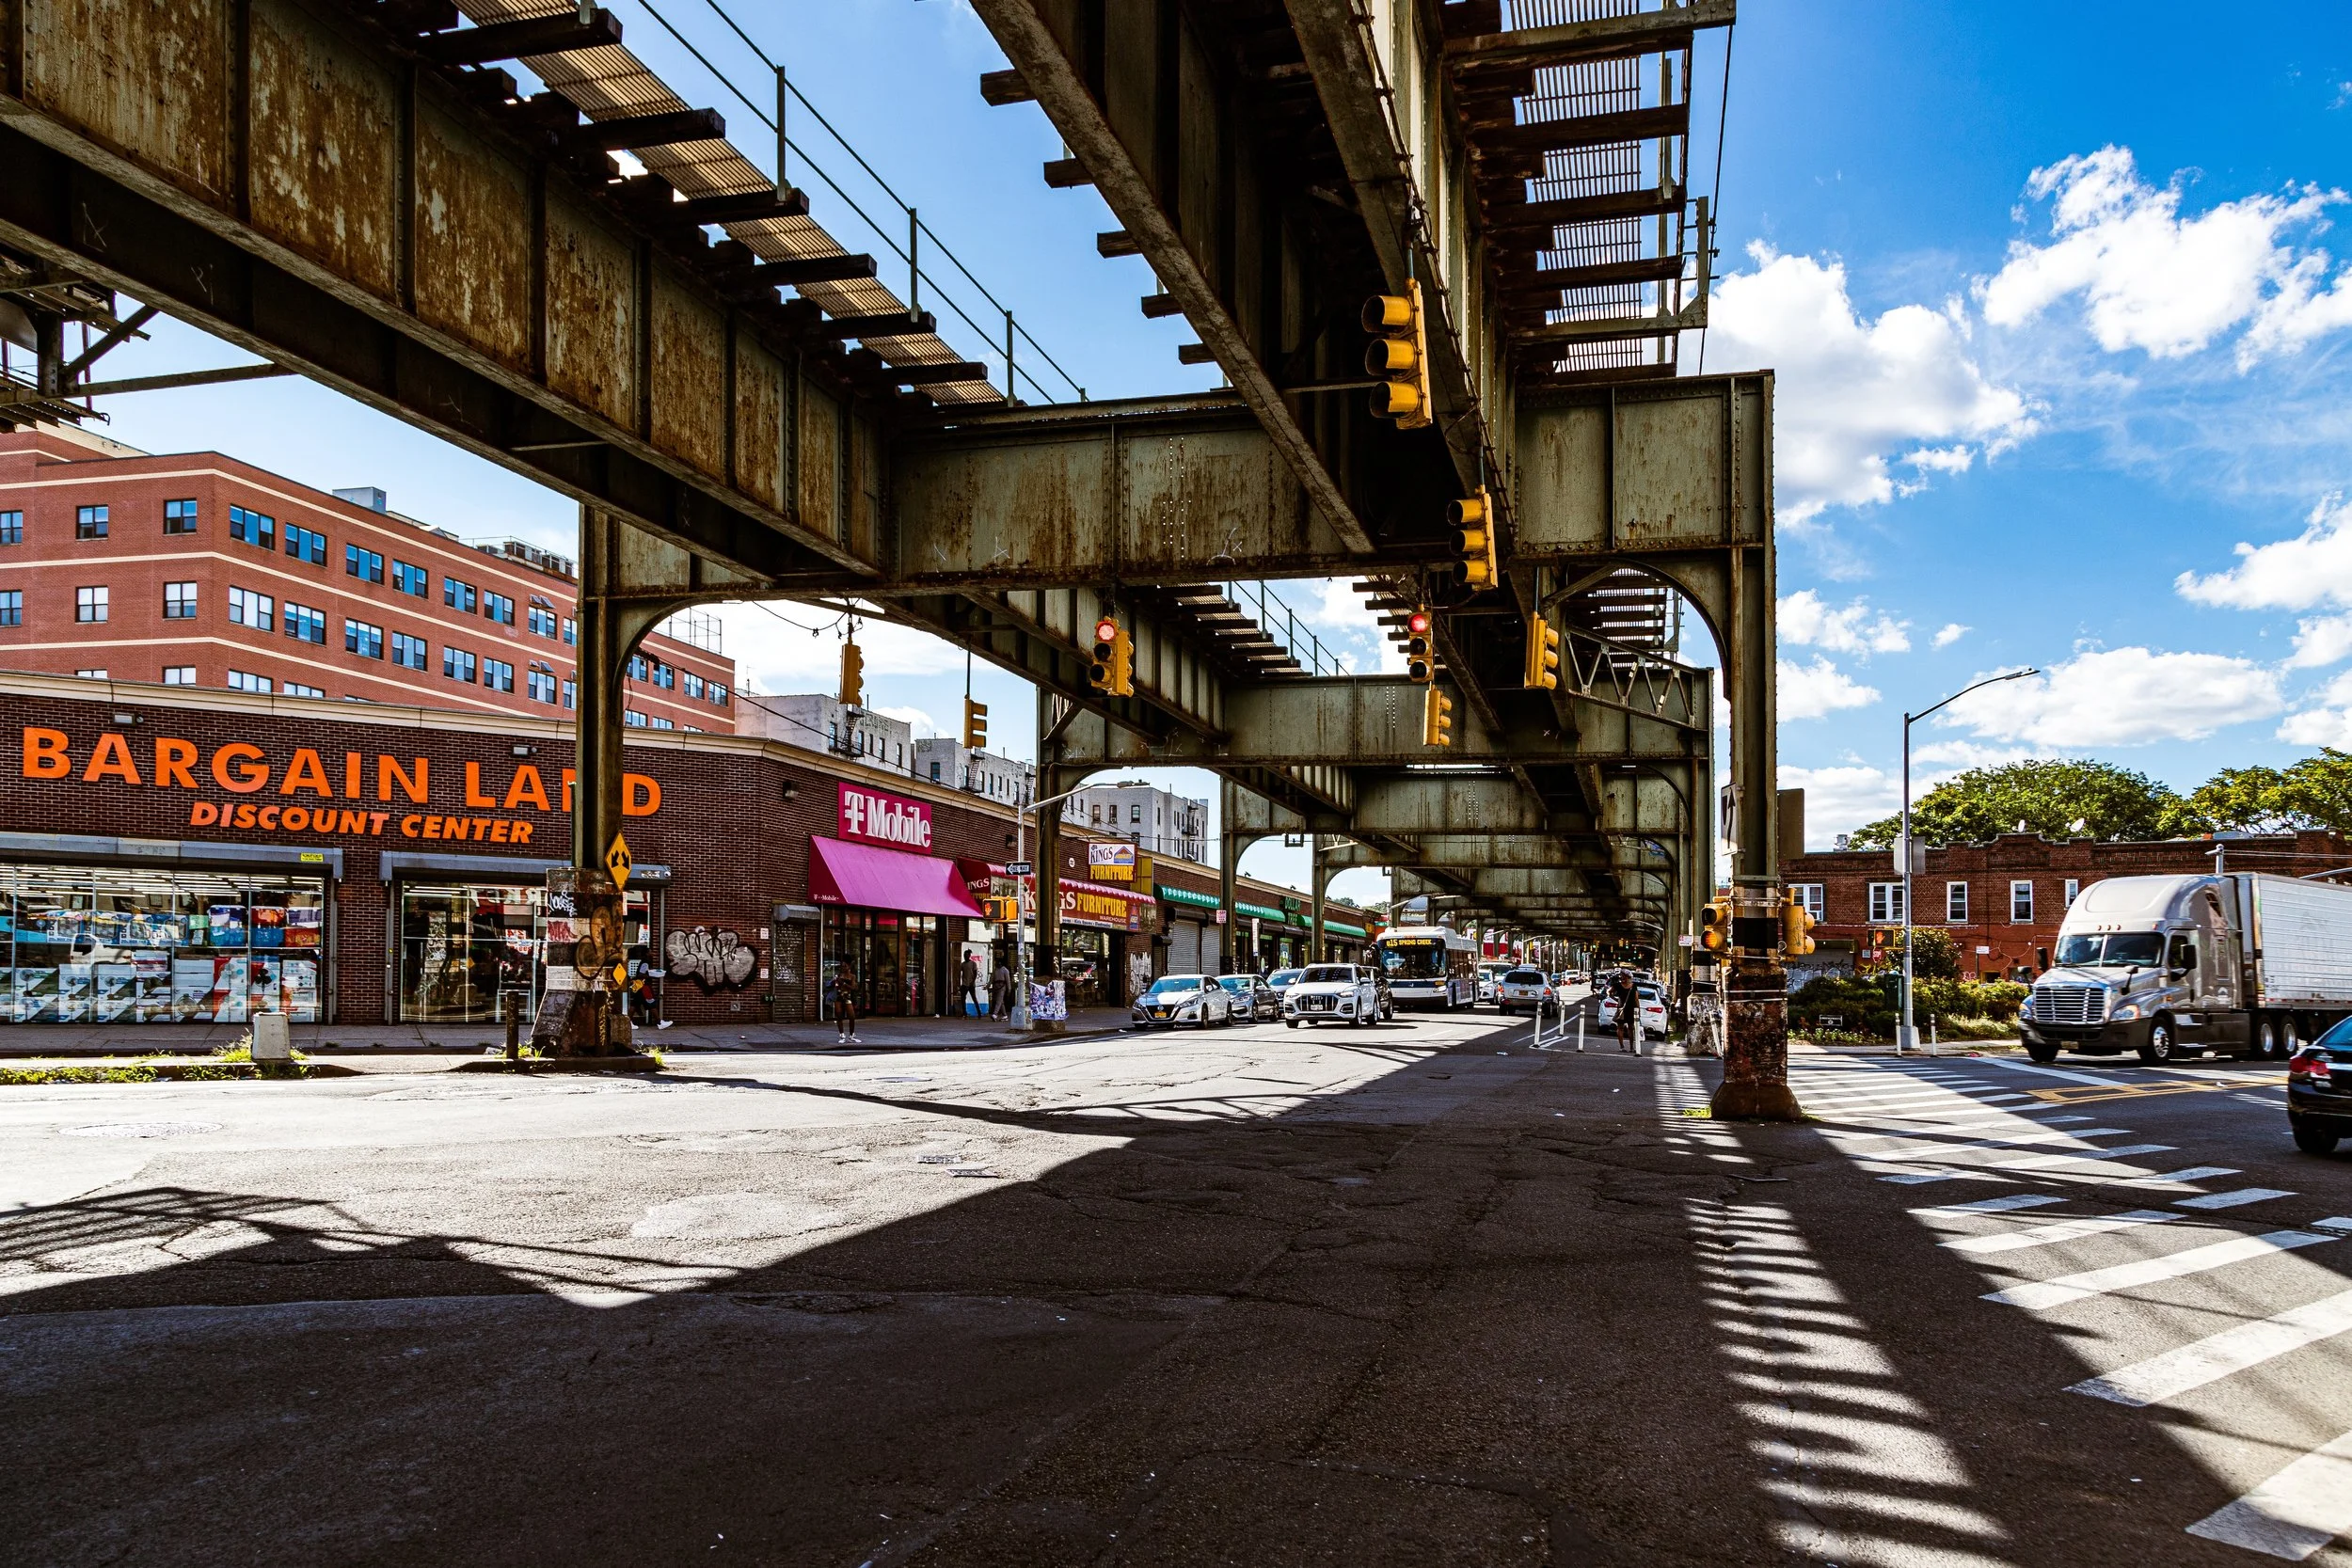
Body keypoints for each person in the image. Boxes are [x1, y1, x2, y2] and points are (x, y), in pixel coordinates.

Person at [825, 965, 859, 1044]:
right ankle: (842, 1035)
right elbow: (834, 986)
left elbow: (853, 987)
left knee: (852, 1016)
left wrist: (843, 983)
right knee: (839, 1016)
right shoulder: (839, 976)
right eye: (843, 967)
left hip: (847, 997)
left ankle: (851, 1035)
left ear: (849, 968)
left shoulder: (852, 976)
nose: (844, 968)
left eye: (845, 966)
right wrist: (835, 981)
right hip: (838, 996)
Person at [1609, 970, 1638, 1053]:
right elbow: (1636, 999)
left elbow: (1636, 999)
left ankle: (1627, 1047)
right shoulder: (1620, 985)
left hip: (1626, 1008)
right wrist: (1616, 999)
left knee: (1627, 1027)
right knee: (1625, 1027)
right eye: (1622, 976)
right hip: (1625, 1009)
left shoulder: (1631, 986)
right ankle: (1626, 1047)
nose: (1623, 978)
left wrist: (1637, 1009)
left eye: (1624, 976)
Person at [988, 954, 1013, 1020]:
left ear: (1001, 963)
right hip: (996, 987)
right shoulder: (995, 970)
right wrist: (987, 986)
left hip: (1002, 987)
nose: (996, 963)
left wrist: (1009, 989)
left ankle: (995, 1014)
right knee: (1000, 1001)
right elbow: (991, 979)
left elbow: (1008, 981)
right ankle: (1005, 1015)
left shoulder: (1005, 970)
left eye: (997, 962)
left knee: (998, 1001)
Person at [961, 951, 983, 1017]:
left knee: (974, 998)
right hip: (965, 984)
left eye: (966, 955)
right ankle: (964, 1013)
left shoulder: (973, 963)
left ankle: (979, 1012)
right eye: (964, 955)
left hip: (971, 984)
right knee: (963, 998)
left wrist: (972, 981)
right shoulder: (963, 964)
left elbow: (975, 973)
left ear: (969, 956)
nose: (965, 956)